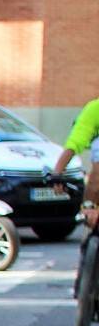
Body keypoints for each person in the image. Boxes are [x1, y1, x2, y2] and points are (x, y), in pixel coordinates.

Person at [49, 95, 99, 230]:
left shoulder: (95, 108)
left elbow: (74, 144)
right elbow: (75, 144)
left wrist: (57, 175)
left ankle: (89, 208)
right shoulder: (95, 109)